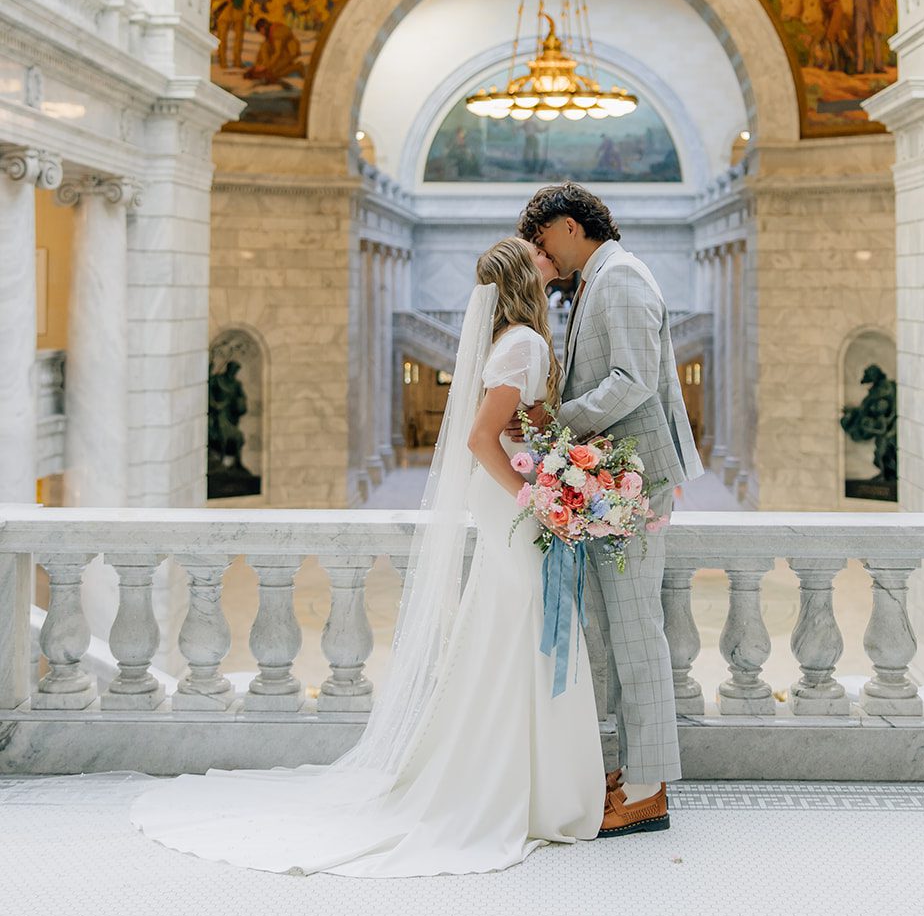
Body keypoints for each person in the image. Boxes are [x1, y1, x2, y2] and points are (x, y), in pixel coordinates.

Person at [130, 237, 604, 877]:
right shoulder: (523, 342)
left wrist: (560, 464)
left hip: (514, 507)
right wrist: (540, 497)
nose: (550, 260)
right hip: (516, 509)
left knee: (515, 628)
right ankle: (516, 786)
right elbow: (478, 438)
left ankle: (525, 779)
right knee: (521, 628)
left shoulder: (516, 342)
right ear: (525, 275)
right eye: (539, 257)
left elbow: (526, 425)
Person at [516, 181, 702, 837]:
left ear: (567, 227)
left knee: (633, 632)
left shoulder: (618, 277)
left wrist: (558, 426)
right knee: (617, 632)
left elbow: (629, 379)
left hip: (633, 482)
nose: (545, 258)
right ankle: (632, 770)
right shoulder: (603, 277)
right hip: (612, 482)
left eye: (542, 243)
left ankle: (648, 789)